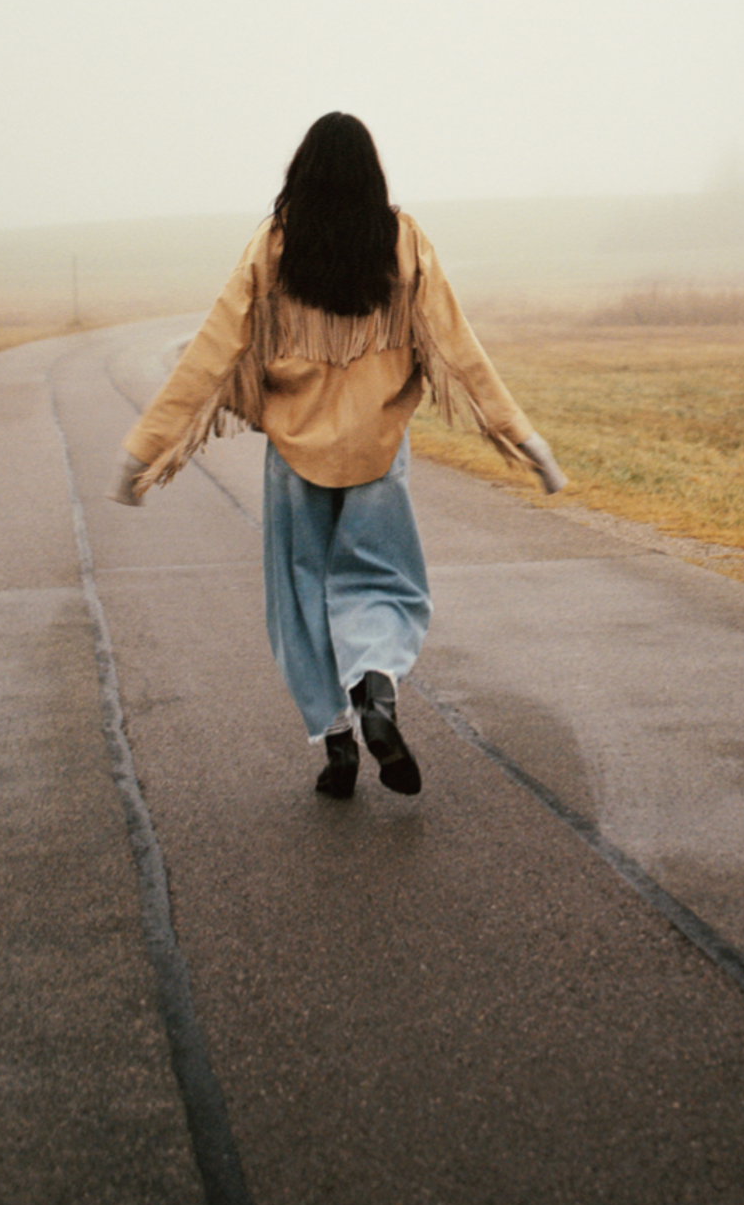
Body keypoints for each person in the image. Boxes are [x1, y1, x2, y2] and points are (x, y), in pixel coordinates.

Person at [111, 112, 565, 799]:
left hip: (295, 453)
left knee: (301, 599)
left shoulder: (274, 246)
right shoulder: (403, 240)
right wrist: (525, 439)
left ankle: (338, 747)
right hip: (378, 449)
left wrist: (144, 451)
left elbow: (213, 351)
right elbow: (456, 346)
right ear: (371, 174)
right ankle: (375, 687)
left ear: (302, 172)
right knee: (385, 583)